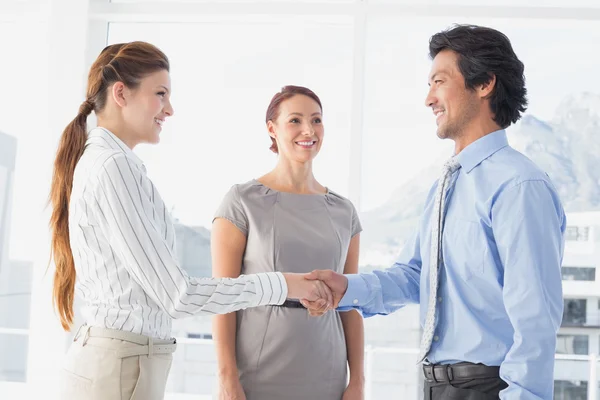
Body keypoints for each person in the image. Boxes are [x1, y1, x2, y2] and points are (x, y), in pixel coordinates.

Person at [48, 42, 332, 400]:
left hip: (123, 365)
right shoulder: (112, 167)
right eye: (160, 94)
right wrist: (286, 285)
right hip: (118, 369)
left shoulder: (114, 165)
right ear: (121, 93)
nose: (169, 109)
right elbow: (178, 297)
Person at [304, 25, 566, 400]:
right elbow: (415, 276)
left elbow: (535, 317)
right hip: (437, 387)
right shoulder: (445, 185)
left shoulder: (520, 186)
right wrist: (346, 287)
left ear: (484, 84)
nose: (429, 99)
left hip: (491, 389)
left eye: (439, 82)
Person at [212, 85, 364, 400]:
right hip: (258, 372)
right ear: (272, 128)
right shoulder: (242, 201)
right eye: (295, 120)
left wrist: (358, 381)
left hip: (327, 371)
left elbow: (351, 305)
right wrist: (227, 381)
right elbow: (222, 298)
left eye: (317, 120)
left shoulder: (344, 211)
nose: (308, 130)